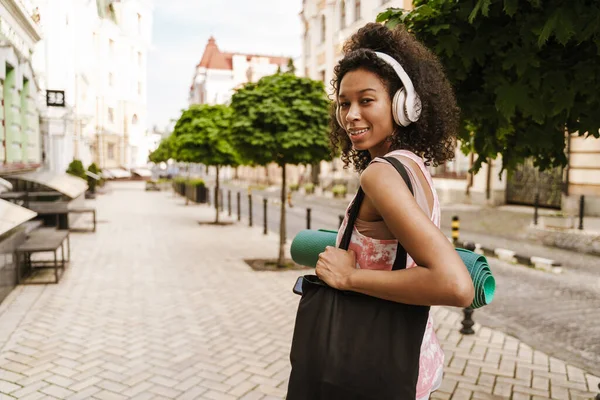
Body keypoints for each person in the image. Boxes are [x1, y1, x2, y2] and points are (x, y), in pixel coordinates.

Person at [313, 22, 475, 399]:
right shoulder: (413, 165)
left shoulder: (381, 175)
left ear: (403, 104)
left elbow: (455, 285)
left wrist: (349, 278)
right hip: (412, 358)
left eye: (366, 100)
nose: (351, 114)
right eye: (343, 103)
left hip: (374, 367)